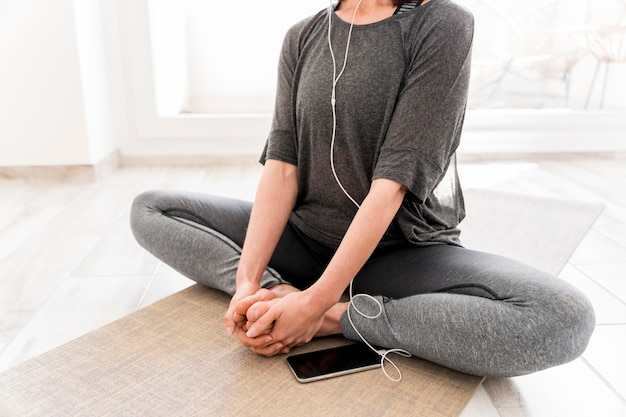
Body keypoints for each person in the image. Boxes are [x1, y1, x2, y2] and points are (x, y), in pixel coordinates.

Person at [130, 0, 595, 378]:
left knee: (561, 317)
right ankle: (277, 297)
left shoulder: (443, 24)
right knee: (151, 209)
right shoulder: (303, 36)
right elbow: (282, 168)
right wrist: (249, 285)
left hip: (401, 254)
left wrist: (317, 308)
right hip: (305, 240)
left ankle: (339, 316)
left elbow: (391, 185)